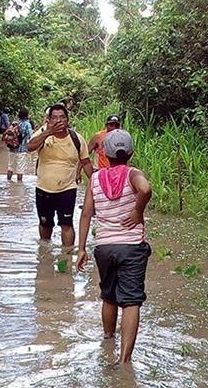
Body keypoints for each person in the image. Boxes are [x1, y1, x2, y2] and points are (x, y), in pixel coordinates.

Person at [77, 129, 152, 364]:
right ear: (130, 152)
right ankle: (124, 360)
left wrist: (81, 249)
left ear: (105, 154)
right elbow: (146, 189)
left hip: (104, 247)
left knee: (108, 296)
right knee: (131, 301)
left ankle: (108, 341)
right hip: (131, 247)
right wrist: (137, 210)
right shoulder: (133, 174)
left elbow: (86, 214)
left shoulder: (96, 179)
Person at [27, 104, 92, 246]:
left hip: (67, 189)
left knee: (66, 225)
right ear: (49, 120)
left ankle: (67, 257)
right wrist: (47, 133)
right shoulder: (42, 134)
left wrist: (96, 183)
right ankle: (45, 253)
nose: (59, 121)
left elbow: (85, 162)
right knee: (45, 224)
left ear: (67, 119)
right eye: (54, 118)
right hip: (43, 189)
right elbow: (29, 147)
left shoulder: (77, 139)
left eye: (62, 117)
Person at [7, 108, 33, 182]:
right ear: (27, 115)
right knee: (20, 169)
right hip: (22, 150)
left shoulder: (15, 124)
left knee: (10, 167)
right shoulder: (27, 124)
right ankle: (19, 184)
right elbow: (31, 136)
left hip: (12, 148)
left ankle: (8, 182)